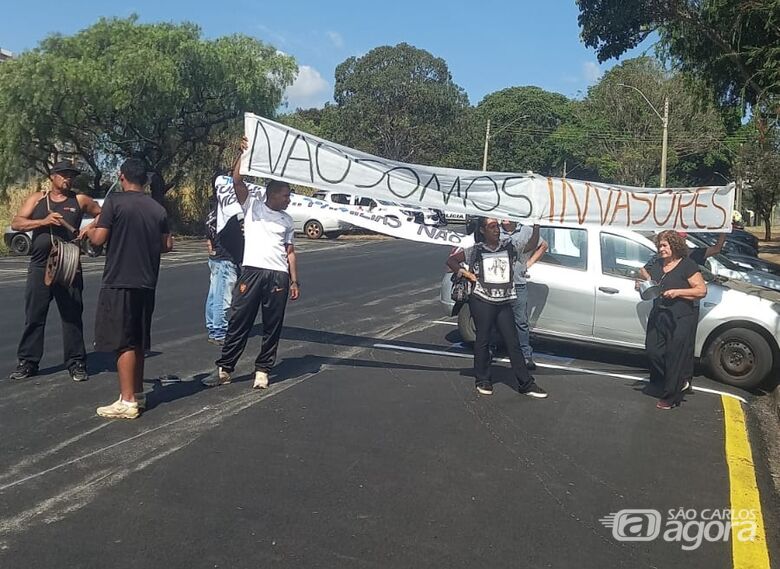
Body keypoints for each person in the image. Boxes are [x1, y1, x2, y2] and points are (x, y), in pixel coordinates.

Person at [203, 138, 300, 390]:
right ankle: (225, 369)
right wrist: (242, 154)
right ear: (272, 195)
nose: (288, 199)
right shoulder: (252, 206)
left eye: (289, 196)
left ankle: (263, 371)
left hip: (277, 276)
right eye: (285, 195)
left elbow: (290, 252)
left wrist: (294, 280)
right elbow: (237, 181)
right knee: (239, 321)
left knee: (272, 324)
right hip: (252, 273)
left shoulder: (288, 220)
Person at [86, 158, 173, 419]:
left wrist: (89, 231)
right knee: (137, 340)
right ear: (145, 180)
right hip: (147, 282)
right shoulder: (158, 209)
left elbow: (100, 239)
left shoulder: (114, 203)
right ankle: (138, 393)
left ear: (121, 176)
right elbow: (167, 245)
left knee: (123, 342)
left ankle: (126, 401)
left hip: (119, 280)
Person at [9, 161, 102, 382]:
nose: (68, 179)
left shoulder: (79, 200)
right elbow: (16, 223)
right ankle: (28, 362)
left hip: (68, 265)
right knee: (34, 316)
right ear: (52, 177)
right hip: (40, 266)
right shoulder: (38, 199)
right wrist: (43, 220)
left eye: (71, 175)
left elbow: (105, 214)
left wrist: (88, 229)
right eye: (63, 175)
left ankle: (76, 362)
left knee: (71, 315)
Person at [446, 217, 547, 398]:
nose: (496, 230)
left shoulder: (508, 246)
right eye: (492, 227)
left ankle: (526, 383)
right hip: (482, 300)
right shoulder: (475, 250)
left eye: (496, 227)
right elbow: (452, 261)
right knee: (483, 339)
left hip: (504, 300)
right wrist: (467, 274)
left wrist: (536, 225)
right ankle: (483, 379)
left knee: (512, 341)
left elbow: (532, 245)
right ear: (483, 230)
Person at [638, 230, 706, 410]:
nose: (661, 249)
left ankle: (670, 396)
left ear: (675, 246)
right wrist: (641, 284)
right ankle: (676, 380)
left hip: (680, 317)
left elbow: (701, 290)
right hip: (659, 313)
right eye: (659, 245)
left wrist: (678, 292)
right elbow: (651, 283)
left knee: (674, 356)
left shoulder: (687, 265)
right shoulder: (658, 264)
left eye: (664, 245)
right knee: (653, 351)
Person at [204, 168, 245, 345]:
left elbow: (209, 236)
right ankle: (219, 331)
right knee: (223, 297)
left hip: (216, 257)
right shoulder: (228, 210)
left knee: (214, 295)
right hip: (226, 257)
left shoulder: (213, 210)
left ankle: (213, 328)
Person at [501, 220, 547, 369]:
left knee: (521, 320)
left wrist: (529, 263)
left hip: (518, 283)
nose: (504, 219)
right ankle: (493, 349)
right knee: (496, 319)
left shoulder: (525, 231)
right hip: (498, 283)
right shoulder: (495, 229)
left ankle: (525, 354)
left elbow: (542, 245)